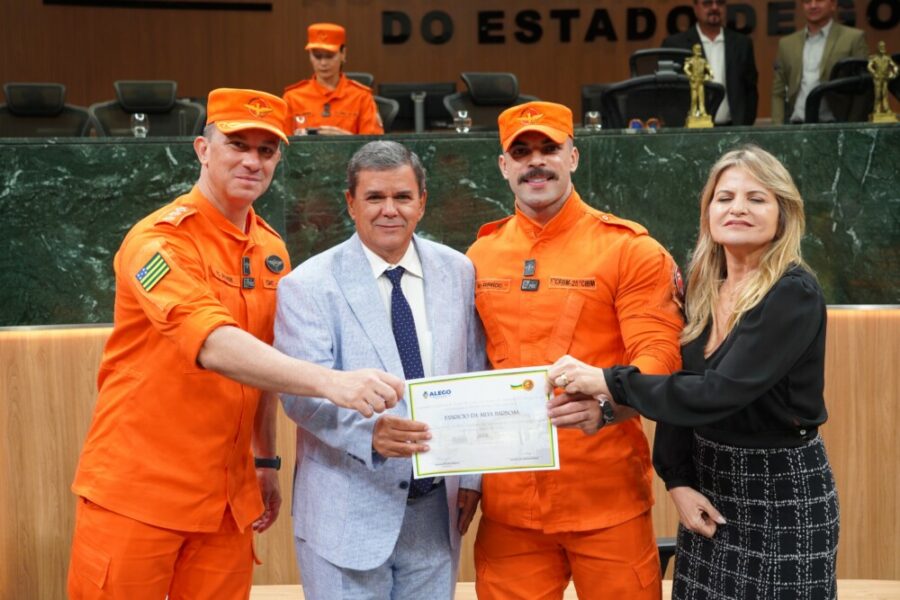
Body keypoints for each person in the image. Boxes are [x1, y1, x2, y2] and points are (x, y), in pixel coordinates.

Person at [67, 88, 403, 600]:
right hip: (140, 496)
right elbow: (213, 344)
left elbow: (265, 365)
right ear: (203, 149)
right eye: (237, 144)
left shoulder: (271, 249)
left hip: (228, 502)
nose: (252, 160)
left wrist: (265, 461)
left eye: (266, 151)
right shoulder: (159, 241)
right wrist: (332, 383)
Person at [548, 145, 839, 600]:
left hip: (780, 492)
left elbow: (715, 393)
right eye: (724, 198)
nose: (737, 208)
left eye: (756, 198)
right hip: (708, 484)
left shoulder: (792, 293)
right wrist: (678, 479)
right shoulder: (704, 284)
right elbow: (681, 385)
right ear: (708, 212)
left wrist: (608, 380)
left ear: (784, 213)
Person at [466, 101, 684, 600]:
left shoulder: (629, 249)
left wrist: (608, 404)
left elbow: (660, 358)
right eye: (520, 152)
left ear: (574, 157)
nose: (535, 161)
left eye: (549, 148)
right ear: (503, 166)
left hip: (604, 495)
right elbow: (467, 370)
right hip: (509, 506)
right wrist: (470, 481)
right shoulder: (477, 255)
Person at [274, 141, 485, 600]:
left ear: (422, 202)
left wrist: (470, 476)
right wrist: (367, 434)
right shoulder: (306, 285)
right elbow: (300, 395)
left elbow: (473, 369)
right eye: (374, 197)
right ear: (350, 203)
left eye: (402, 197)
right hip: (346, 512)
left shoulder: (459, 271)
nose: (390, 210)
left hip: (435, 515)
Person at [662, 0, 759, 126]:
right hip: (690, 131)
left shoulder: (742, 44)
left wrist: (744, 125)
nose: (714, 8)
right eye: (707, 3)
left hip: (733, 129)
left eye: (720, 3)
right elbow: (667, 95)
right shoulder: (674, 45)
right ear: (696, 8)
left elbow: (750, 91)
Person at [772, 0, 868, 124]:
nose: (813, 5)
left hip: (836, 126)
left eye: (819, 0)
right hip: (796, 126)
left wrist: (853, 128)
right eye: (807, 2)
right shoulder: (786, 43)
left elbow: (864, 90)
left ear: (833, 4)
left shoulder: (853, 38)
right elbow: (778, 91)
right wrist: (778, 128)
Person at [282, 22, 383, 135]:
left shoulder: (362, 97)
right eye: (317, 56)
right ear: (310, 55)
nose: (323, 63)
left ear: (343, 54)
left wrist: (346, 140)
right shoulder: (292, 98)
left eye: (330, 56)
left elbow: (374, 148)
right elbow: (280, 146)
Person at [868, 40, 899, 115]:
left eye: (883, 46)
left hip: (885, 78)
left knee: (885, 94)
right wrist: (874, 73)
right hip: (877, 78)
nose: (883, 48)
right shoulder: (874, 58)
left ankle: (886, 109)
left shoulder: (887, 58)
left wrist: (893, 74)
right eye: (881, 46)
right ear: (878, 48)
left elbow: (895, 66)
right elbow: (869, 66)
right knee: (878, 94)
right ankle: (877, 110)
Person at [684, 43, 714, 118]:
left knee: (701, 98)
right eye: (697, 49)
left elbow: (709, 69)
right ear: (693, 50)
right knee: (694, 98)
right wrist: (690, 75)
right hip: (694, 81)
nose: (698, 50)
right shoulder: (691, 60)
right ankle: (693, 113)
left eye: (699, 49)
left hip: (701, 81)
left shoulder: (703, 61)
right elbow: (685, 68)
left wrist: (710, 75)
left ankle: (702, 112)